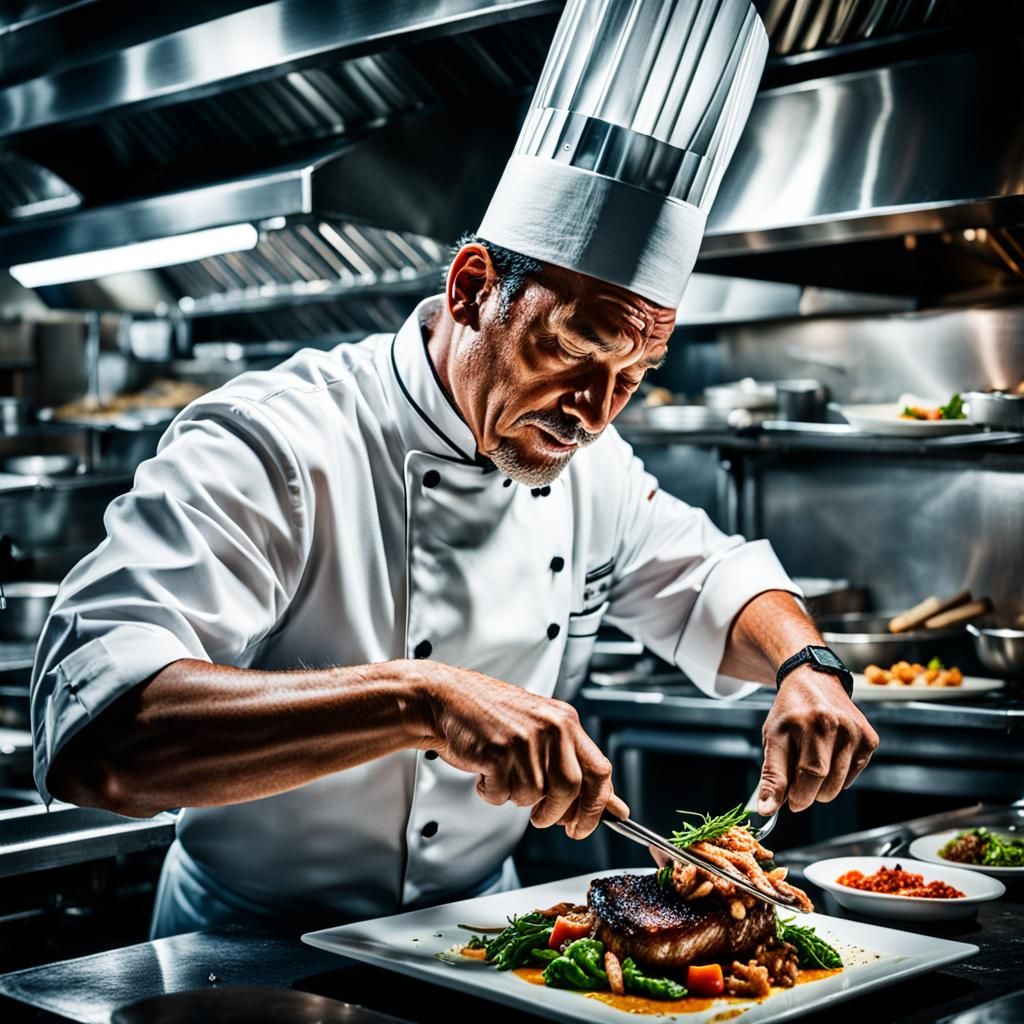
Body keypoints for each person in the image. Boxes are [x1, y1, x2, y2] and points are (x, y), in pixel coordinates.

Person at [29, 0, 877, 938]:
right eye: (573, 354)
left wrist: (808, 663)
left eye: (631, 380)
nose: (594, 414)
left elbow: (713, 575)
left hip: (481, 942)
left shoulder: (585, 461)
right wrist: (419, 698)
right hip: (242, 953)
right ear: (472, 289)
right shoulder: (277, 442)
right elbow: (93, 738)